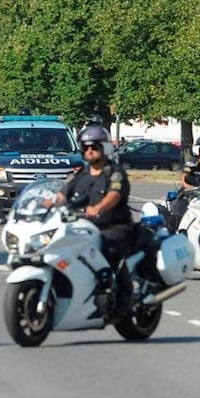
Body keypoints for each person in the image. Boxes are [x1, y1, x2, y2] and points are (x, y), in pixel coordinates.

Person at [56, 125, 133, 314]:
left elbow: (114, 195)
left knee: (106, 252)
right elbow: (61, 195)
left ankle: (121, 295)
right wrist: (45, 204)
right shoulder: (78, 175)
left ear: (104, 148)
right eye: (86, 147)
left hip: (113, 226)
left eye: (94, 147)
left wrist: (97, 208)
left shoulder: (115, 173)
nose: (90, 151)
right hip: (84, 227)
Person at [168, 135, 200, 232]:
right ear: (198, 149)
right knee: (180, 212)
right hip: (191, 196)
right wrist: (190, 188)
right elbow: (184, 177)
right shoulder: (192, 163)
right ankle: (178, 235)